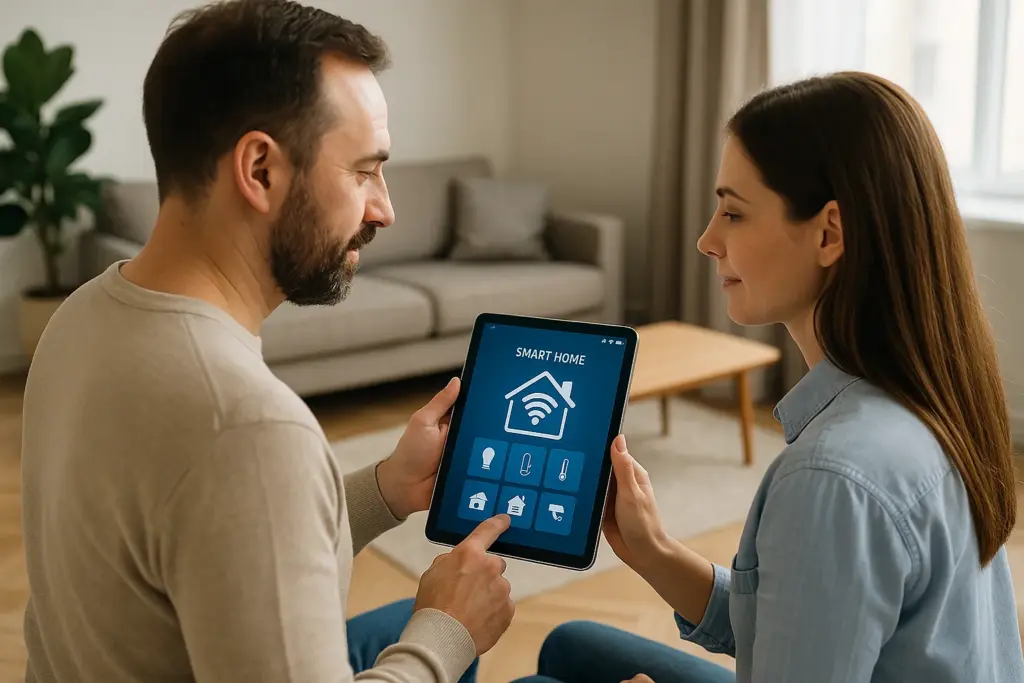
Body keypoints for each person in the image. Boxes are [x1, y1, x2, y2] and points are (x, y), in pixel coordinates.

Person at [20, 1, 515, 682]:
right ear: (259, 170)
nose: (386, 209)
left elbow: (206, 537)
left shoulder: (78, 317)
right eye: (364, 170)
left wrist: (386, 488)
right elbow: (240, 468)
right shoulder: (250, 427)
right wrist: (446, 633)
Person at [514, 71, 1024, 683]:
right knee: (574, 644)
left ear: (829, 233)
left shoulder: (832, 478)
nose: (706, 240)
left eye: (733, 212)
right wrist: (654, 552)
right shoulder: (934, 394)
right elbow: (805, 621)